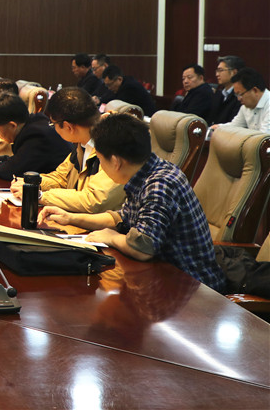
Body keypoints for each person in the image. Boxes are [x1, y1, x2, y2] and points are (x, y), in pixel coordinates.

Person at [38, 113, 226, 292]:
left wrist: (112, 238)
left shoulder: (160, 184)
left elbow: (143, 246)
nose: (101, 166)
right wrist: (71, 218)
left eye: (101, 160)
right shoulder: (147, 170)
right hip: (162, 277)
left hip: (192, 288)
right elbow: (121, 218)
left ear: (116, 162)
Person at [10, 87, 122, 213]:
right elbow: (61, 178)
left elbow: (95, 200)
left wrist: (39, 196)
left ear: (68, 127)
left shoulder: (114, 144)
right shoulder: (82, 142)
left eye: (53, 124)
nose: (53, 128)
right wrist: (32, 183)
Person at [0, 91, 71, 181]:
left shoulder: (37, 135)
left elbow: (14, 170)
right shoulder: (33, 125)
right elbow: (19, 159)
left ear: (12, 125)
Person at [225, 68, 270, 133]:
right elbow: (234, 126)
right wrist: (217, 128)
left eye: (240, 94)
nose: (238, 99)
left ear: (255, 90)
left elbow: (264, 136)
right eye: (237, 95)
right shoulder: (245, 107)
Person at [210, 55, 244, 125]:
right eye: (217, 71)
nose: (217, 74)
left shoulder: (241, 96)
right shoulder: (218, 94)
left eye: (220, 70)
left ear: (234, 72)